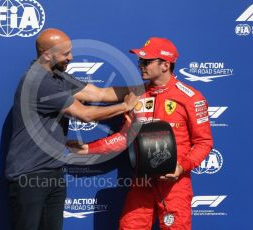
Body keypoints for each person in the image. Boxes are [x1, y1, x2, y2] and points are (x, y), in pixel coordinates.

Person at [68, 37, 213, 229]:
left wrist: (181, 167)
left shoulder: (191, 98)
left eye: (146, 61)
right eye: (140, 61)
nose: (141, 66)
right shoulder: (136, 96)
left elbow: (203, 142)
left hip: (175, 185)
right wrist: (88, 148)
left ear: (165, 65)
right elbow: (124, 138)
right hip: (142, 182)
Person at [5, 28, 139, 230]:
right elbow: (85, 113)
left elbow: (99, 94)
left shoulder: (57, 77)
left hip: (53, 172)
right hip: (29, 177)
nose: (71, 57)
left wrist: (142, 89)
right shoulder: (38, 81)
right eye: (65, 53)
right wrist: (125, 107)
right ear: (47, 54)